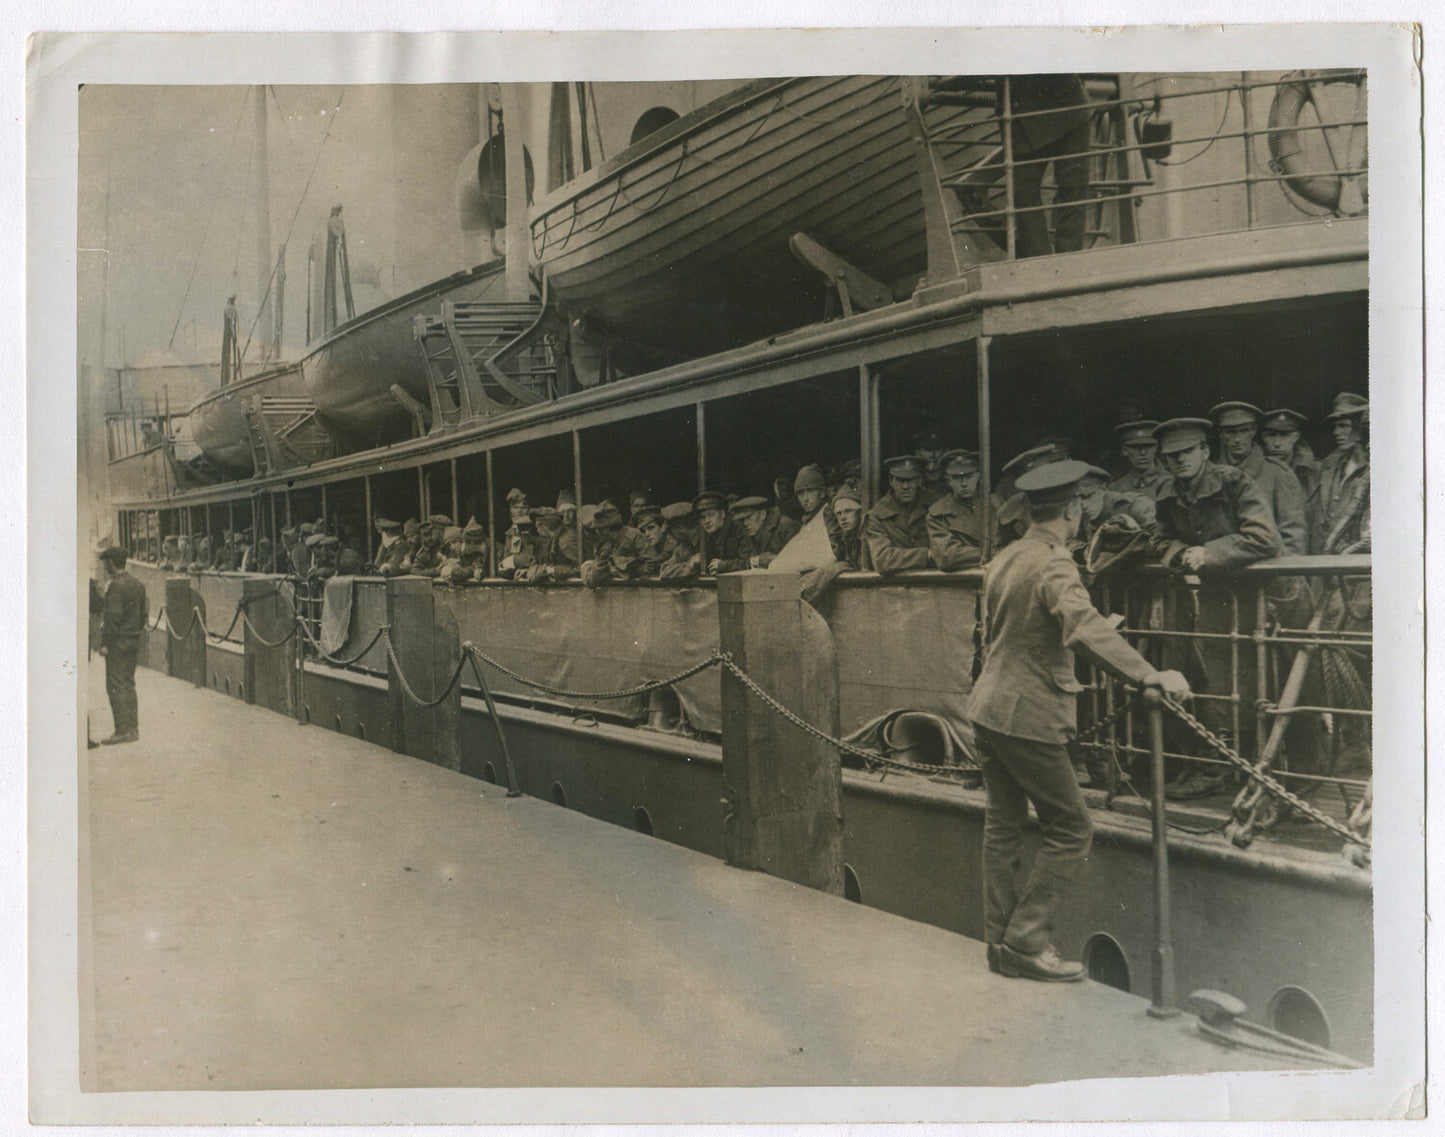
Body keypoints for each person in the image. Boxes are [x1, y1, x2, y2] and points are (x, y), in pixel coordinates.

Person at [967, 460, 1190, 981]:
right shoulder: (1054, 565)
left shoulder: (1006, 557)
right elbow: (1083, 627)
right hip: (1028, 714)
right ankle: (1026, 941)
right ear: (1071, 510)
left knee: (1003, 826)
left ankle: (1000, 943)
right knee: (1071, 828)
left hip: (989, 707)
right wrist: (1149, 674)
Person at [1149, 417, 1281, 799]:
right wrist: (1179, 553)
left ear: (1205, 451)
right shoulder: (1167, 493)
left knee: (1246, 681)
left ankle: (1238, 767)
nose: (1180, 461)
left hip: (1252, 598)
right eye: (1171, 456)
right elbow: (1159, 538)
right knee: (1205, 678)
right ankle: (1213, 764)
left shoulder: (1233, 482)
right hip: (1205, 600)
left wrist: (1209, 553)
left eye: (1187, 452)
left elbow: (1265, 537)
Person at [1002, 75, 1093, 258]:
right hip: (1020, 114)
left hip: (1069, 108)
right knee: (1023, 194)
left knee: (1073, 188)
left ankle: (1068, 261)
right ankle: (1041, 262)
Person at [1210, 401, 1308, 556]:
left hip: (1267, 565)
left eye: (1243, 431)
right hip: (1221, 563)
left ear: (1253, 431)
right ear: (1220, 434)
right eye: (1230, 432)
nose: (1237, 439)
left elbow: (1294, 536)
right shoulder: (1210, 475)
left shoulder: (1277, 473)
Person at [97, 544, 150, 745]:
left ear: (111, 563)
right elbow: (143, 615)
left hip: (117, 643)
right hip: (133, 640)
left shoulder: (115, 586)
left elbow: (112, 618)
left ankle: (122, 730)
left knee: (115, 686)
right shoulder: (138, 584)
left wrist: (105, 644)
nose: (105, 567)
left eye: (106, 563)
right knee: (129, 684)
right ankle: (133, 729)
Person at [1313, 392, 1370, 555]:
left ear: (1360, 429)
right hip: (1327, 556)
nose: (1336, 432)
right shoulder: (1330, 466)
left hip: (1356, 557)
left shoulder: (1373, 468)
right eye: (1336, 426)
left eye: (1343, 426)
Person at [927, 449, 1001, 570]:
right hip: (965, 577)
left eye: (969, 476)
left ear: (978, 476)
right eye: (957, 478)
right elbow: (946, 556)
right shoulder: (938, 514)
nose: (964, 484)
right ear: (949, 481)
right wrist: (993, 553)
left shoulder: (995, 503)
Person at [864, 456, 932, 574]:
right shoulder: (877, 516)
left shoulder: (934, 507)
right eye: (900, 480)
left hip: (935, 581)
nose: (905, 486)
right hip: (894, 584)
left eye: (911, 480)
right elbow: (882, 560)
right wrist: (927, 555)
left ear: (919, 480)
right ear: (891, 481)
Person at [1259, 408, 1321, 510]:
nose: (1277, 443)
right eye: (1271, 435)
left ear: (1296, 437)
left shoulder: (1314, 471)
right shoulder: (1255, 470)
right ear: (1263, 437)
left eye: (1284, 436)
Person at [1108, 420, 1170, 498]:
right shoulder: (1115, 487)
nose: (1143, 453)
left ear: (1156, 447)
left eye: (1148, 446)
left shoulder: (1172, 480)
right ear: (1124, 450)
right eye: (1135, 447)